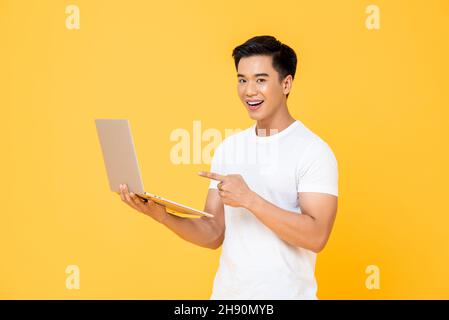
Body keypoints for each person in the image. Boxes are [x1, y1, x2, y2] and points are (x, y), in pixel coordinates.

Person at [118, 35, 339, 299]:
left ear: (286, 83)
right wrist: (162, 215)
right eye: (242, 79)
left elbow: (316, 237)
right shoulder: (229, 147)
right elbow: (213, 233)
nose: (249, 91)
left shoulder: (313, 150)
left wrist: (250, 200)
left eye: (260, 80)